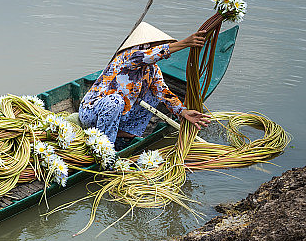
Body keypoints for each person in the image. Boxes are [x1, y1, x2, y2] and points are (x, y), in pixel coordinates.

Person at [76, 22, 211, 150]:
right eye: (157, 46)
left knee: (153, 95)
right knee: (115, 101)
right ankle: (105, 147)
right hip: (92, 113)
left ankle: (126, 131)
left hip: (120, 113)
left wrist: (182, 111)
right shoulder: (127, 57)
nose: (161, 49)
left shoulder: (153, 69)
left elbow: (163, 92)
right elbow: (149, 55)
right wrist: (185, 43)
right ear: (146, 45)